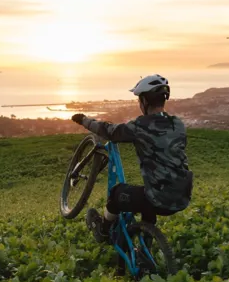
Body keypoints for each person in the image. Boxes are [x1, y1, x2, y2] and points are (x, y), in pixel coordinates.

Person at [71, 74, 193, 243]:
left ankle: (103, 232)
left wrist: (85, 121)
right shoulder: (178, 124)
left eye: (139, 99)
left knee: (116, 194)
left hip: (160, 198)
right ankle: (145, 248)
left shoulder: (140, 126)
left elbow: (109, 131)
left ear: (145, 101)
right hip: (182, 196)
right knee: (147, 200)